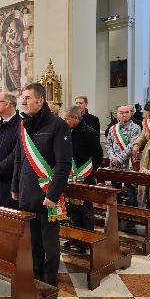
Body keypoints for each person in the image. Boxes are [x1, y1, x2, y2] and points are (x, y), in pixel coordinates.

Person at [11, 83, 72, 287]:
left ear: (40, 100)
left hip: (48, 195)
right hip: (28, 192)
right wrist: (15, 187)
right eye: (23, 98)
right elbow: (19, 160)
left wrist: (53, 195)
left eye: (28, 98)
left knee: (49, 242)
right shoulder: (23, 125)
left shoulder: (57, 125)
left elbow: (64, 164)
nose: (23, 101)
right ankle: (36, 275)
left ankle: (49, 280)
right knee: (33, 240)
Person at [63, 105, 102, 249]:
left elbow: (98, 156)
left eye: (67, 118)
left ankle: (86, 241)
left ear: (75, 118)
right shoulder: (67, 131)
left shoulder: (90, 133)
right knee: (73, 208)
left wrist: (89, 172)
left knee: (85, 210)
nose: (64, 120)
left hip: (85, 177)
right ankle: (75, 237)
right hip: (71, 176)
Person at [106, 105, 142, 207]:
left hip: (129, 164)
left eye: (126, 112)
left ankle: (131, 219)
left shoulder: (136, 128)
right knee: (115, 192)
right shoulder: (113, 128)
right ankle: (115, 216)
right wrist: (112, 157)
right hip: (114, 164)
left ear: (130, 114)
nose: (124, 115)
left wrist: (119, 159)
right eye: (121, 113)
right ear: (117, 115)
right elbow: (108, 145)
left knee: (131, 193)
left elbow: (132, 146)